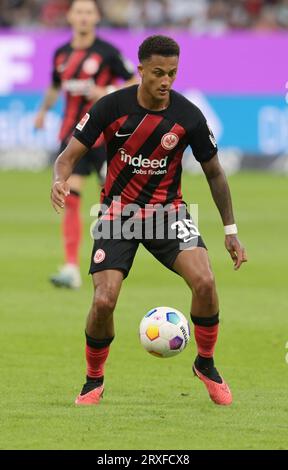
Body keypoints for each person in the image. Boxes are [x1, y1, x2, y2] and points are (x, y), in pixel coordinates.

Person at [51, 35, 247, 406]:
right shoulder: (111, 107)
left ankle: (205, 363)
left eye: (172, 73)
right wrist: (59, 181)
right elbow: (67, 156)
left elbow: (215, 174)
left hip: (167, 213)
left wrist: (230, 231)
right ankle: (94, 380)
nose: (166, 81)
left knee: (205, 281)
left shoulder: (188, 115)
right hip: (117, 215)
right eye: (158, 72)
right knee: (104, 301)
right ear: (140, 70)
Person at [35, 0, 138, 288]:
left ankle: (112, 263)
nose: (82, 17)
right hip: (73, 138)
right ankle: (71, 267)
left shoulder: (107, 53)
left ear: (96, 17)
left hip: (106, 138)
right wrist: (43, 111)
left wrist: (105, 90)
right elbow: (55, 85)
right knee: (71, 199)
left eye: (88, 12)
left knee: (111, 203)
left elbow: (135, 82)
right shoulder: (61, 54)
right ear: (69, 16)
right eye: (78, 12)